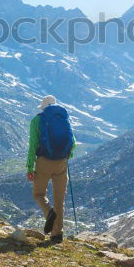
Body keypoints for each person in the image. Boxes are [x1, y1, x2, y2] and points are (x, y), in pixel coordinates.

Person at [26, 95, 76, 244]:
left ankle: (49, 213)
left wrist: (30, 166)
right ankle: (57, 235)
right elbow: (73, 142)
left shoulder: (37, 120)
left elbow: (33, 145)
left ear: (43, 107)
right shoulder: (64, 118)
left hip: (44, 162)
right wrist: (66, 157)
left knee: (39, 194)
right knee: (59, 201)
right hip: (62, 162)